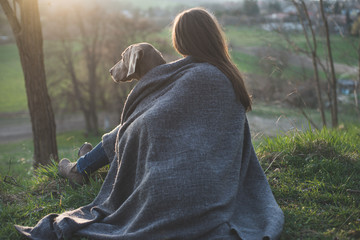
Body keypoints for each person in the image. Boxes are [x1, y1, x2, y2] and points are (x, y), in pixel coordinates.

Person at [16, 8, 284, 239]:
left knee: (131, 126)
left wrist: (136, 122)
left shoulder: (201, 74)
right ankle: (83, 165)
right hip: (209, 168)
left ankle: (81, 167)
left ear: (182, 40)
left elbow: (153, 121)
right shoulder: (222, 72)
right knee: (132, 125)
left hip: (188, 180)